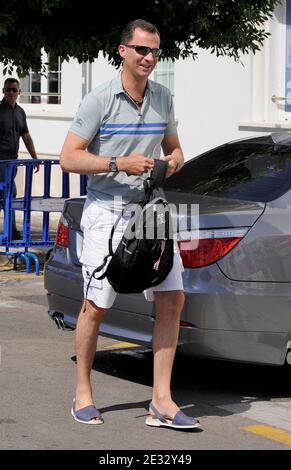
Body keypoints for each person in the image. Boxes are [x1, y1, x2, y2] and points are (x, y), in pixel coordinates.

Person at [60, 19, 201, 430]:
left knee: (172, 299)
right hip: (106, 212)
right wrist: (116, 163)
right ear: (123, 51)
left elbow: (176, 150)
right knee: (96, 306)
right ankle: (83, 392)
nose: (149, 58)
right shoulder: (98, 100)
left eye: (155, 51)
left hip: (149, 213)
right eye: (141, 50)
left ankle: (161, 401)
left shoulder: (163, 98)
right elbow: (68, 157)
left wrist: (172, 163)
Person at [0, 77, 39, 239]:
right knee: (9, 195)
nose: (11, 93)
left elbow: (26, 136)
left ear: (19, 93)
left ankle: (11, 231)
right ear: (3, 91)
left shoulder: (20, 112)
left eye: (14, 90)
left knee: (7, 196)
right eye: (8, 89)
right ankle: (12, 232)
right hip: (1, 161)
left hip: (12, 161)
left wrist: (35, 157)